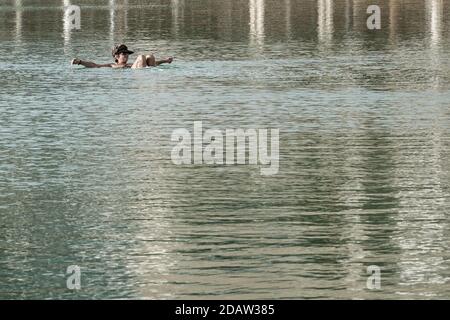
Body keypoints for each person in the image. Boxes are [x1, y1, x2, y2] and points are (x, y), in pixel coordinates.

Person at [71, 44, 173, 69]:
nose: (126, 56)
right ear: (116, 56)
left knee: (149, 56)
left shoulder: (130, 64)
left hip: (143, 71)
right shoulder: (112, 65)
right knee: (141, 56)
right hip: (139, 74)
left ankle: (149, 73)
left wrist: (165, 60)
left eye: (127, 54)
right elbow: (95, 65)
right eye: (123, 54)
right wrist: (80, 62)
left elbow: (155, 62)